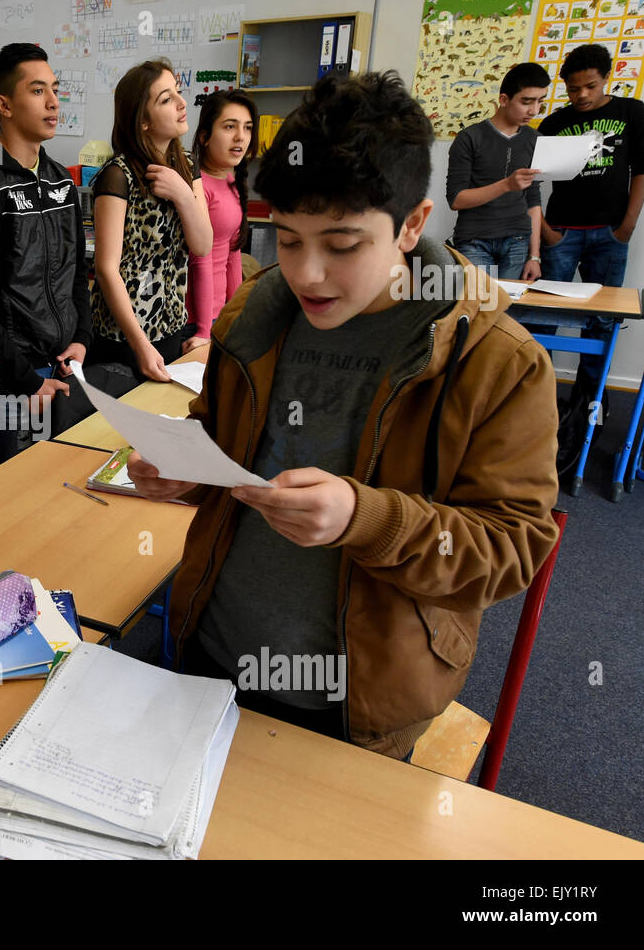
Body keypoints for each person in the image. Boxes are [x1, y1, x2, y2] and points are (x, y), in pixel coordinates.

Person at [129, 72, 560, 760]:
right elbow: (225, 436)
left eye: (342, 244)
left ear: (413, 224)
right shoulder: (255, 315)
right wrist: (185, 466)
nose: (307, 274)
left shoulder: (494, 360)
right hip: (213, 647)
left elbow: (510, 549)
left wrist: (368, 519)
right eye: (290, 239)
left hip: (355, 695)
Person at [0, 43, 93, 465]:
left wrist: (81, 340)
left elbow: (76, 273)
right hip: (11, 379)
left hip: (64, 366)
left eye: (55, 89)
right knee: (12, 497)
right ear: (4, 104)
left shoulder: (59, 181)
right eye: (37, 91)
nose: (53, 102)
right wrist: (27, 381)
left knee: (61, 488)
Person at [535, 44, 644, 470]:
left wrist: (627, 226)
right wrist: (546, 229)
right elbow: (533, 182)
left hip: (609, 234)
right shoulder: (554, 122)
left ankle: (589, 408)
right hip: (562, 233)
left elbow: (643, 170)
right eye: (573, 88)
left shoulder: (632, 112)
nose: (581, 95)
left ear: (608, 77)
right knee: (544, 318)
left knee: (603, 324)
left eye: (590, 86)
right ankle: (540, 404)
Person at [86, 58, 213, 385]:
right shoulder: (117, 176)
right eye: (166, 99)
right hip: (124, 336)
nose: (182, 103)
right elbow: (105, 268)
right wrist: (139, 344)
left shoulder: (186, 164)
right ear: (142, 120)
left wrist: (183, 195)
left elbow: (203, 244)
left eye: (178, 92)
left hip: (171, 326)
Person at [446, 62, 550, 282]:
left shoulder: (536, 140)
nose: (534, 110)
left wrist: (535, 256)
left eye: (540, 101)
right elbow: (456, 199)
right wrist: (506, 185)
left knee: (505, 310)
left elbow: (533, 201)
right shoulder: (470, 138)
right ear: (503, 100)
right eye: (526, 102)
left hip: (518, 241)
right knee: (479, 309)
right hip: (474, 240)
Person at [187, 88, 257, 344]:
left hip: (219, 314)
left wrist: (235, 314)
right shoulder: (198, 186)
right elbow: (200, 261)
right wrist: (204, 331)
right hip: (195, 321)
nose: (241, 137)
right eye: (230, 127)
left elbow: (233, 254)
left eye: (248, 128)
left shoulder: (230, 179)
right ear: (205, 136)